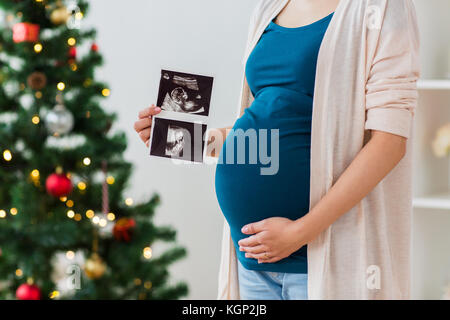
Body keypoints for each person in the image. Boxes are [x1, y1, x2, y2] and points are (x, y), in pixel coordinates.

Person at [134, 0, 420, 300]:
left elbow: (389, 143)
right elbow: (265, 129)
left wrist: (300, 233)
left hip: (321, 262)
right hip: (252, 262)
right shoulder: (269, 8)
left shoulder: (382, 7)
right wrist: (175, 140)